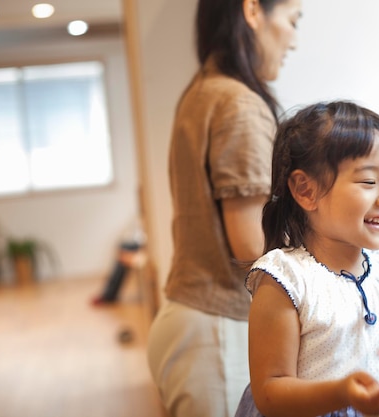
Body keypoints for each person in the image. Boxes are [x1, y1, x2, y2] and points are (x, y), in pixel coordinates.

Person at [234, 101, 379, 417]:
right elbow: (270, 392)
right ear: (306, 190)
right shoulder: (286, 278)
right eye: (368, 181)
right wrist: (340, 392)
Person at [147, 1, 303, 416]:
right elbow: (251, 242)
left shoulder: (203, 90)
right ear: (252, 10)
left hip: (194, 321)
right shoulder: (239, 103)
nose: (294, 40)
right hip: (217, 332)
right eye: (292, 20)